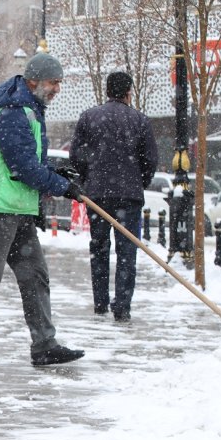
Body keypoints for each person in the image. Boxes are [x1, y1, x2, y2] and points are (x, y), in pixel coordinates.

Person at [0, 53, 86, 367]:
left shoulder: (28, 107)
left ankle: (44, 344)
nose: (57, 89)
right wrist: (63, 188)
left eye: (59, 82)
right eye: (53, 82)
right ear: (33, 80)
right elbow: (22, 166)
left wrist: (57, 174)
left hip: (15, 205)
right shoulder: (13, 112)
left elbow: (30, 160)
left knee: (35, 276)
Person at [69, 71, 158, 322]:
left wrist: (88, 178)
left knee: (99, 247)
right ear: (129, 91)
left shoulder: (89, 117)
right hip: (128, 195)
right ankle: (123, 305)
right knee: (127, 250)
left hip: (97, 194)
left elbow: (76, 155)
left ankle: (100, 302)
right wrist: (139, 181)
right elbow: (150, 159)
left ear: (108, 90)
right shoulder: (139, 120)